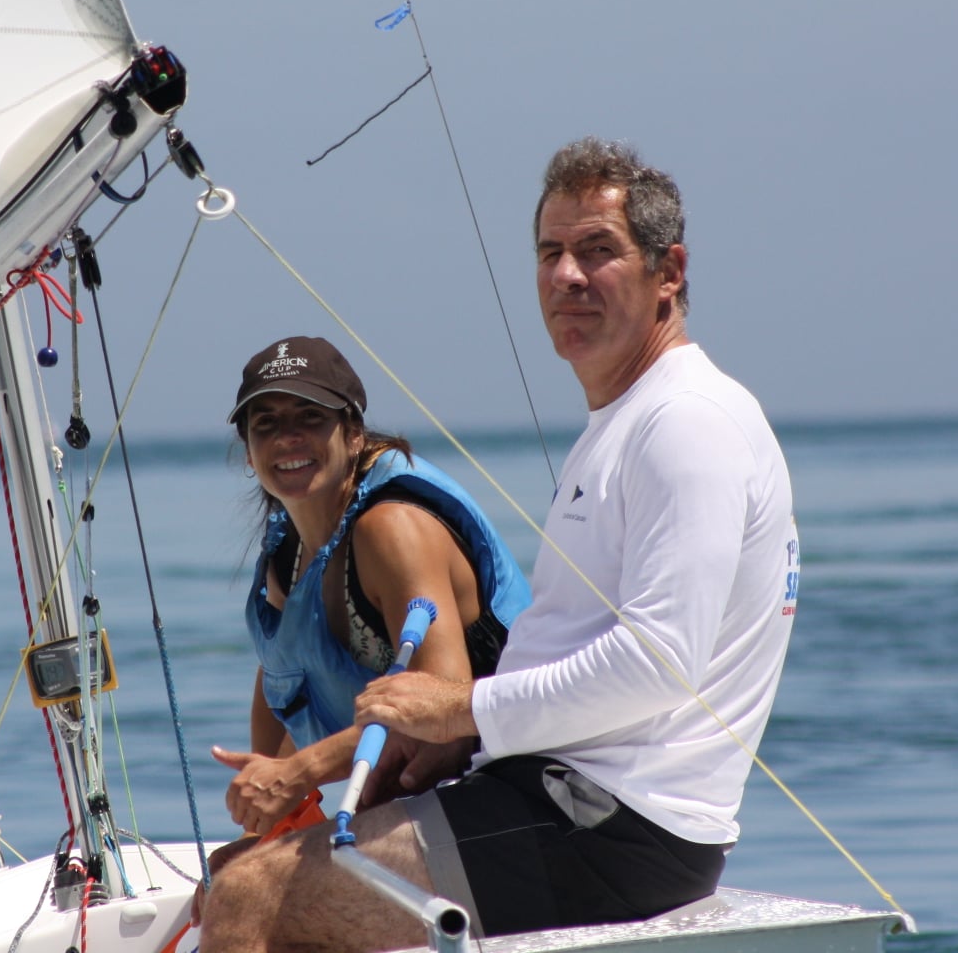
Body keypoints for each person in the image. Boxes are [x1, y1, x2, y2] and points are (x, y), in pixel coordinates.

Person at [199, 139, 800, 952]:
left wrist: (458, 709)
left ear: (670, 270)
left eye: (597, 251)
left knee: (250, 898)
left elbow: (659, 664)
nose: (567, 276)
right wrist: (448, 734)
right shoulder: (626, 424)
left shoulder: (686, 425)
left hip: (612, 825)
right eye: (550, 253)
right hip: (558, 795)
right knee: (249, 872)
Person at [211, 336, 531, 845]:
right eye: (266, 423)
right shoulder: (286, 555)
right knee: (235, 868)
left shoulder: (392, 530)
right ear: (248, 451)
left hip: (514, 790)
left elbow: (440, 712)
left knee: (248, 885)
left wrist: (299, 772)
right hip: (417, 799)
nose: (288, 437)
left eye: (310, 417)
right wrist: (263, 821)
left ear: (354, 434)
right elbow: (282, 671)